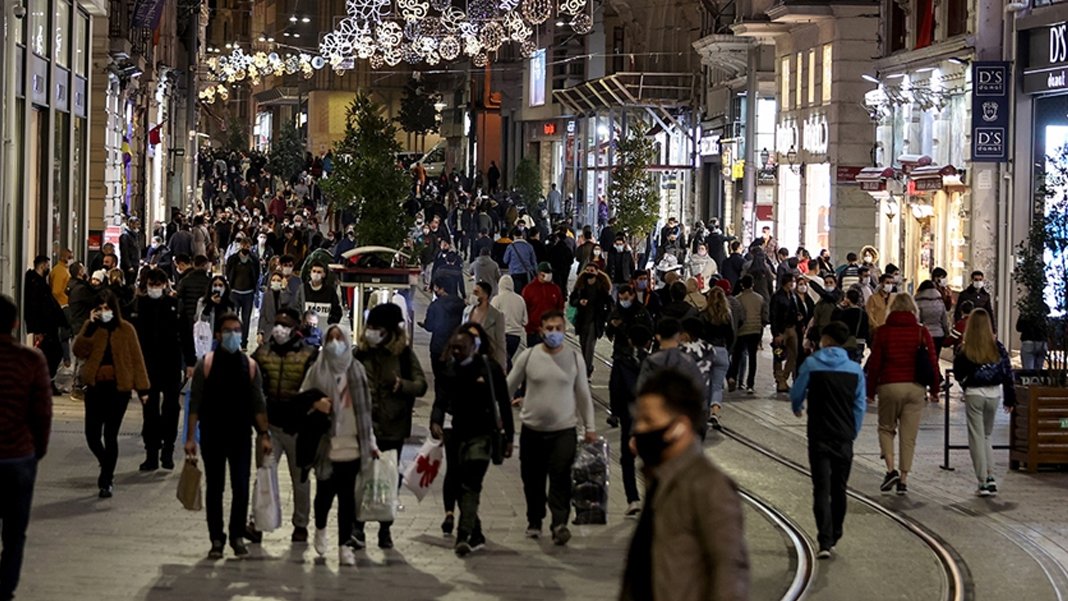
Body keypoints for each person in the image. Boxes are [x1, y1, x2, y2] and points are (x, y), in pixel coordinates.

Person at [619, 369, 749, 601]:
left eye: (648, 420)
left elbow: (729, 571)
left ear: (680, 426)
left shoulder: (709, 486)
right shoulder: (661, 478)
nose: (639, 429)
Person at [185, 313, 272, 559]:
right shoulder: (207, 364)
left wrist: (264, 434)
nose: (233, 334)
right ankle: (216, 538)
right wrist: (191, 438)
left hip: (241, 435)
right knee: (215, 488)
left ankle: (236, 535)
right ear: (218, 334)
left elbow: (258, 403)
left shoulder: (250, 365)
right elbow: (195, 404)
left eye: (236, 330)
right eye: (228, 330)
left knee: (241, 487)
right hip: (213, 435)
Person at [507, 310, 597, 545]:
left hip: (564, 429)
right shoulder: (528, 356)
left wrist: (590, 427)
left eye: (558, 328)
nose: (554, 333)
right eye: (549, 329)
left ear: (564, 330)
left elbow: (584, 395)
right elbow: (508, 386)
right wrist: (501, 415)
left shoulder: (575, 358)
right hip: (532, 429)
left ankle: (559, 523)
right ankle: (534, 520)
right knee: (532, 478)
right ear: (541, 331)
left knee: (560, 476)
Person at [298, 323, 378, 566]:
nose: (335, 343)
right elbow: (302, 399)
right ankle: (320, 528)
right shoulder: (317, 369)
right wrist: (315, 404)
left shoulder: (357, 370)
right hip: (326, 444)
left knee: (347, 499)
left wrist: (370, 441)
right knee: (324, 495)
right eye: (330, 338)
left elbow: (366, 409)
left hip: (352, 444)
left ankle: (344, 545)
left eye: (339, 338)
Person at [431, 329, 515, 556]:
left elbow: (504, 404)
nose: (457, 352)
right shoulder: (449, 369)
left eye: (461, 348)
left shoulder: (489, 369)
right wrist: (435, 421)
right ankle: (475, 532)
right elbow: (441, 399)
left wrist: (509, 436)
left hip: (483, 435)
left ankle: (464, 534)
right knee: (459, 482)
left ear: (474, 346)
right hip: (457, 434)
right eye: (454, 348)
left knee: (471, 482)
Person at [789, 321, 866, 558]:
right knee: (839, 487)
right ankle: (836, 532)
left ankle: (824, 540)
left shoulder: (812, 364)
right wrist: (853, 431)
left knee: (821, 487)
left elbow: (796, 391)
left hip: (818, 434)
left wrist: (798, 406)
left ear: (827, 340)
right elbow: (859, 405)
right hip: (843, 436)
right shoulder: (855, 370)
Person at [354, 303, 428, 547]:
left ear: (388, 331)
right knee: (362, 477)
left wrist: (400, 385)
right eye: (370, 327)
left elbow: (421, 385)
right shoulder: (360, 354)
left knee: (387, 477)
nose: (372, 331)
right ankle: (358, 528)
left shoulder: (403, 354)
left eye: (377, 327)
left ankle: (385, 529)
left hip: (393, 426)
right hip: (364, 427)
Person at [72, 290, 151, 498]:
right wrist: (88, 327)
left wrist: (143, 389)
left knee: (110, 434)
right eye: (100, 308)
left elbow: (136, 359)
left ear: (114, 309)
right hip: (96, 388)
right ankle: (105, 461)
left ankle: (106, 480)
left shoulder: (126, 330)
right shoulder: (92, 328)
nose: (104, 312)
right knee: (92, 434)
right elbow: (78, 350)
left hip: (118, 389)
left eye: (107, 308)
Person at [0, 294, 52, 601]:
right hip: (19, 458)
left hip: (19, 456)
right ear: (16, 324)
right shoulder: (31, 360)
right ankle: (5, 589)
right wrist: (37, 451)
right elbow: (42, 413)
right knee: (15, 532)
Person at [249, 307, 317, 543]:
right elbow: (253, 389)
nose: (279, 329)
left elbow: (314, 391)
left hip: (299, 429)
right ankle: (256, 522)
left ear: (295, 328)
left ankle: (300, 525)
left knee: (300, 479)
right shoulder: (262, 353)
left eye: (285, 325)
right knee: (264, 474)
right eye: (278, 324)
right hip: (269, 427)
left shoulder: (309, 355)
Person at [864, 293, 940, 496]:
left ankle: (890, 470)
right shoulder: (922, 332)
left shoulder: (883, 332)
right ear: (913, 310)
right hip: (915, 388)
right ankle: (904, 480)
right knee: (909, 436)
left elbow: (875, 364)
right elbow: (932, 362)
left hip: (889, 386)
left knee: (886, 428)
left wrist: (870, 391)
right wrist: (934, 389)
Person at [953, 309, 1015, 497]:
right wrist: (1010, 398)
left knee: (976, 437)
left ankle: (983, 481)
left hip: (974, 394)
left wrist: (965, 384)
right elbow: (1007, 372)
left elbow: (958, 372)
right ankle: (991, 476)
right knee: (987, 436)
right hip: (994, 395)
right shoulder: (997, 346)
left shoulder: (965, 349)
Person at [130, 269, 183, 471]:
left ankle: (167, 451)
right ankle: (151, 453)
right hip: (147, 368)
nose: (155, 288)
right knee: (149, 412)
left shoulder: (173, 306)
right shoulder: (138, 306)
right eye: (151, 284)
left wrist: (190, 362)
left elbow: (184, 333)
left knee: (171, 409)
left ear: (165, 285)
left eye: (158, 284)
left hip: (170, 366)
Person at [24, 256, 66, 395]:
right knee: (54, 353)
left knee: (50, 354)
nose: (49, 268)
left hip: (48, 325)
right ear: (42, 266)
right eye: (47, 265)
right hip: (45, 326)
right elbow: (35, 307)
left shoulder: (39, 282)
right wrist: (37, 329)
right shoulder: (36, 284)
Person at [423, 277, 467, 403]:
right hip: (456, 346)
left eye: (436, 287)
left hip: (438, 347)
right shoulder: (461, 304)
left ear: (442, 289)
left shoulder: (436, 305)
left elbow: (430, 326)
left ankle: (440, 403)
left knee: (439, 377)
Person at [695, 289, 733, 428]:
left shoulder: (703, 315)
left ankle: (702, 412)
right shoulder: (727, 315)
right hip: (722, 351)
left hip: (706, 352)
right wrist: (727, 351)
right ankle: (714, 413)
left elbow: (698, 335)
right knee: (717, 386)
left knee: (704, 384)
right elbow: (732, 336)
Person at [569, 263, 613, 379]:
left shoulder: (602, 286)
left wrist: (608, 317)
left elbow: (609, 304)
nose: (589, 272)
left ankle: (586, 369)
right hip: (582, 320)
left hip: (595, 319)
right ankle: (586, 366)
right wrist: (579, 302)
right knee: (583, 344)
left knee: (590, 345)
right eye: (587, 270)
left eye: (592, 270)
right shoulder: (580, 285)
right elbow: (572, 301)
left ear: (597, 272)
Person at [770, 274, 808, 393]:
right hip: (781, 330)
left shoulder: (793, 296)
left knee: (794, 354)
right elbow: (773, 316)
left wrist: (799, 322)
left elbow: (795, 310)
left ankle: (784, 378)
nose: (793, 284)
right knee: (778, 355)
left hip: (792, 328)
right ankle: (779, 380)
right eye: (791, 281)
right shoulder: (777, 297)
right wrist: (776, 333)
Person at [225, 237, 260, 349]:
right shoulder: (233, 259)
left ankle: (244, 342)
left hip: (248, 293)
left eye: (248, 246)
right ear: (240, 246)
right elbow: (228, 272)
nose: (246, 248)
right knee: (233, 318)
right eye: (244, 245)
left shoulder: (254, 260)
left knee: (246, 319)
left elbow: (257, 273)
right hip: (235, 292)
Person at [464, 281, 508, 368]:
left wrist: (502, 366)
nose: (473, 295)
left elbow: (500, 342)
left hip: (487, 361)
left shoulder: (497, 316)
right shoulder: (466, 311)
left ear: (486, 295)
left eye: (476, 292)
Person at [521, 263, 564, 347]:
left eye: (550, 273)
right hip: (534, 331)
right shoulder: (529, 289)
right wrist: (529, 327)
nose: (549, 275)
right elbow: (525, 309)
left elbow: (560, 307)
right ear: (539, 273)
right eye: (546, 273)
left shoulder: (555, 289)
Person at [491, 275, 528, 369]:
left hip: (500, 336)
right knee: (506, 359)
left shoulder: (497, 299)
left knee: (501, 362)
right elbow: (525, 321)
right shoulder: (520, 299)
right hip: (515, 337)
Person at [258, 270, 302, 345]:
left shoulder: (288, 294)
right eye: (273, 280)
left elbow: (285, 302)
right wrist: (260, 332)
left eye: (278, 280)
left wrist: (284, 289)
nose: (276, 282)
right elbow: (263, 315)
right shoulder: (266, 295)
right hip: (269, 333)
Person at [831, 288, 870, 363]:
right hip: (860, 342)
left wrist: (839, 307)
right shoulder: (863, 313)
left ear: (847, 299)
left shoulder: (845, 313)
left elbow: (834, 320)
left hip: (848, 342)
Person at [916, 279, 950, 363]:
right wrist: (946, 333)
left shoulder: (918, 302)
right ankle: (934, 374)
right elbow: (944, 321)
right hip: (939, 335)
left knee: (924, 360)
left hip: (924, 336)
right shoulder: (940, 301)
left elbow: (917, 320)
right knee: (935, 359)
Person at [1016, 302, 1050, 371]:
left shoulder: (1026, 310)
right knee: (1039, 371)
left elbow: (1019, 328)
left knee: (1028, 371)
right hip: (1042, 341)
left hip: (1028, 340)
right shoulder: (1045, 308)